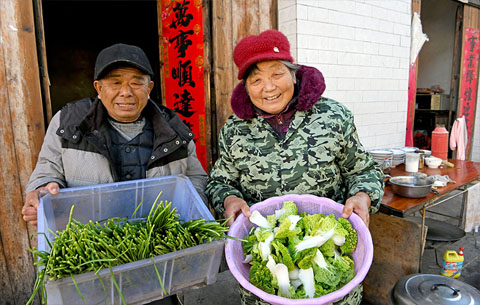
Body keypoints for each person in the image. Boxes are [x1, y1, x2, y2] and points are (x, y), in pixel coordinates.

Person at [205, 30, 384, 305]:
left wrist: (363, 195)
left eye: (277, 74)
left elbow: (364, 170)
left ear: (293, 74)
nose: (268, 87)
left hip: (330, 266)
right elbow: (220, 181)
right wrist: (228, 199)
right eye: (256, 79)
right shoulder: (235, 130)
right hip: (264, 276)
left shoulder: (333, 116)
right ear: (245, 86)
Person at [22, 43, 207, 226]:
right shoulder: (69, 122)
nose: (126, 92)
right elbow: (47, 171)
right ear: (99, 89)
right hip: (89, 240)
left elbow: (195, 179)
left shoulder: (174, 129)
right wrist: (43, 192)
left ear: (149, 89)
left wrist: (192, 217)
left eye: (136, 83)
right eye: (115, 83)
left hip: (158, 241)